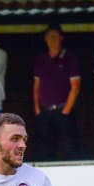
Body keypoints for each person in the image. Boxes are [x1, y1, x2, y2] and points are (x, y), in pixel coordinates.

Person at [33, 23, 81, 161]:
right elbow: (36, 86)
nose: (52, 39)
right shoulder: (41, 59)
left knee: (68, 147)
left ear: (61, 38)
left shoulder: (69, 57)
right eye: (49, 36)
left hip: (63, 110)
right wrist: (37, 109)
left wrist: (66, 110)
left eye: (55, 36)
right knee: (45, 148)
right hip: (45, 111)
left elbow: (75, 86)